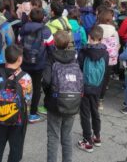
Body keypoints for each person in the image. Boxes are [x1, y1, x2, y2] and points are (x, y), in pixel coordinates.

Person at [0, 45, 33, 162]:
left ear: (5, 58)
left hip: (0, 115)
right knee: (16, 146)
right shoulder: (26, 78)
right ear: (20, 59)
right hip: (18, 119)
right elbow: (28, 98)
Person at [43, 31, 79, 162]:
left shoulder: (50, 58)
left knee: (53, 136)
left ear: (55, 44)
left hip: (55, 102)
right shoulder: (75, 57)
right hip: (72, 100)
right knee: (67, 135)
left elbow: (46, 81)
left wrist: (48, 93)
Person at [19, 8, 54, 123]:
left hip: (24, 63)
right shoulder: (46, 31)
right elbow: (51, 48)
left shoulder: (23, 28)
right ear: (43, 18)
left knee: (22, 86)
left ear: (29, 17)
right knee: (37, 88)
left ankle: (20, 111)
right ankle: (33, 114)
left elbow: (19, 43)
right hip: (39, 64)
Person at [77, 26, 108, 152]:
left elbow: (78, 69)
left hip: (84, 87)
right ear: (101, 39)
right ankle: (97, 136)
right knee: (95, 111)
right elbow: (106, 73)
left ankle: (87, 141)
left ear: (89, 37)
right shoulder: (105, 53)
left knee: (85, 113)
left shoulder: (83, 52)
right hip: (97, 87)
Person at [96, 8, 120, 110]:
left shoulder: (96, 29)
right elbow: (117, 45)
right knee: (105, 79)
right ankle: (100, 100)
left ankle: (94, 98)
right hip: (109, 59)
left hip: (97, 57)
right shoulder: (114, 31)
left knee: (96, 78)